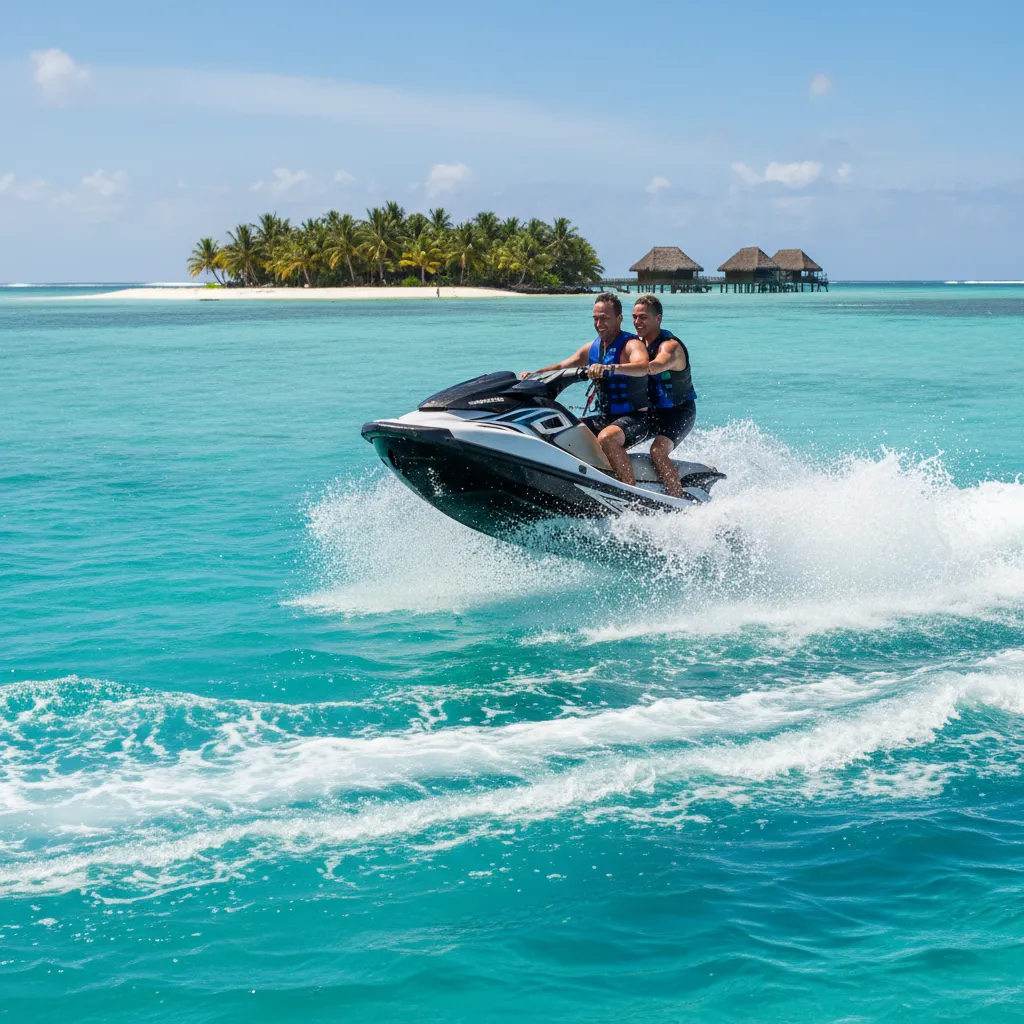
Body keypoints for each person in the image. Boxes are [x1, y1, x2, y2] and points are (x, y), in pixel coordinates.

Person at [520, 292, 649, 485]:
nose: (599, 324)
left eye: (604, 318)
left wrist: (609, 369)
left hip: (636, 418)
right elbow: (563, 366)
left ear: (619, 318)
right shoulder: (593, 348)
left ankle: (630, 491)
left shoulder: (631, 345)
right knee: (565, 431)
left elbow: (643, 365)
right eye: (596, 319)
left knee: (607, 438)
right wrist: (534, 374)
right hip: (606, 417)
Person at [591, 293, 696, 497]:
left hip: (679, 413)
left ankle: (677, 499)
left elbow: (652, 367)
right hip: (653, 413)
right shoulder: (640, 345)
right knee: (609, 440)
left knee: (658, 451)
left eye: (644, 317)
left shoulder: (670, 347)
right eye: (635, 317)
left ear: (658, 318)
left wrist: (610, 368)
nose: (638, 322)